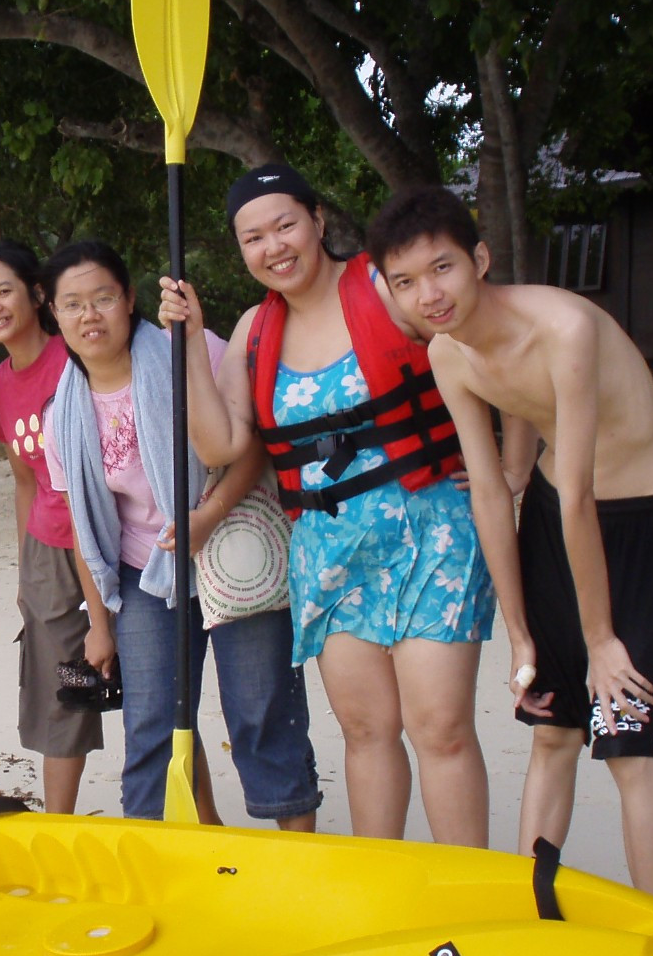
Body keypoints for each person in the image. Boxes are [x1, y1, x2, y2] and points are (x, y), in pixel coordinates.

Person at [162, 164, 494, 847]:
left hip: (429, 528)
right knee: (368, 731)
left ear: (317, 220)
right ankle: (380, 891)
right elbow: (221, 440)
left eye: (285, 225)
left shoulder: (385, 285)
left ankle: (472, 894)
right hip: (328, 550)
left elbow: (498, 346)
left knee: (441, 728)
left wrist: (510, 468)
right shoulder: (255, 329)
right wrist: (191, 339)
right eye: (253, 237)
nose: (273, 247)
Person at [371, 186, 653, 899]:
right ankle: (530, 914)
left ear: (479, 259)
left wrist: (600, 638)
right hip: (552, 516)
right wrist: (520, 636)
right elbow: (490, 492)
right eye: (406, 282)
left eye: (443, 268)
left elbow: (582, 490)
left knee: (625, 736)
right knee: (552, 730)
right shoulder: (449, 357)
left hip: (636, 522)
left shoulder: (564, 327)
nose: (430, 294)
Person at [43, 239, 319, 828]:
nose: (89, 316)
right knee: (153, 721)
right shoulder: (62, 412)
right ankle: (149, 850)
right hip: (146, 574)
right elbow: (83, 529)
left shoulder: (190, 349)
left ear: (131, 299)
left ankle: (297, 849)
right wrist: (99, 623)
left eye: (103, 298)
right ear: (55, 314)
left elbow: (254, 443)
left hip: (232, 548)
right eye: (72, 305)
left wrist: (209, 513)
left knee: (261, 708)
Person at [0, 240, 102, 813]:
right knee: (64, 687)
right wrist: (26, 566)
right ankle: (59, 824)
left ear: (35, 294)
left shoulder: (77, 355)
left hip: (117, 542)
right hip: (49, 547)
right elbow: (26, 479)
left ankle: (200, 817)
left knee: (152, 684)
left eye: (4, 291)